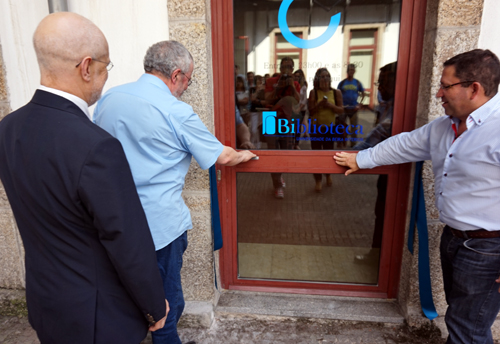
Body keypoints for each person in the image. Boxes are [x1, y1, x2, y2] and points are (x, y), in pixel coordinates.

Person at [0, 13, 168, 344]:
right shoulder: (97, 146)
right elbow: (126, 241)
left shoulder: (7, 129)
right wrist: (154, 307)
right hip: (98, 317)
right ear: (86, 67)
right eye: (107, 68)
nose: (105, 78)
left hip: (45, 302)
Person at [94, 40, 256, 344]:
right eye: (188, 80)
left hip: (114, 222)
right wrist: (248, 154)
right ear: (176, 74)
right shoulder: (175, 111)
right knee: (166, 308)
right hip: (159, 227)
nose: (185, 87)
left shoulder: (109, 99)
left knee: (132, 298)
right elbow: (223, 156)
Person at [335, 49, 500, 344]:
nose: (438, 93)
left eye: (445, 86)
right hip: (454, 240)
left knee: (467, 329)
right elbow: (403, 144)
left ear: (474, 88)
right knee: (464, 322)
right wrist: (361, 159)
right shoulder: (443, 127)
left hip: (489, 249)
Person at [264, 57, 301, 198]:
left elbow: (298, 102)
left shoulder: (295, 83)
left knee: (285, 153)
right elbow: (268, 99)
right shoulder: (271, 81)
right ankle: (277, 185)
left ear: (292, 69)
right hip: (270, 118)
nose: (286, 70)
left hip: (287, 120)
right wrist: (279, 87)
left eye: (289, 67)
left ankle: (279, 176)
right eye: (284, 67)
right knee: (273, 153)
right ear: (279, 68)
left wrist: (291, 86)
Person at [309, 68, 344, 192]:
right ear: (317, 79)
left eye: (327, 76)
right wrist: (319, 105)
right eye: (322, 77)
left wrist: (331, 106)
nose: (325, 79)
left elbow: (341, 110)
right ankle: (318, 180)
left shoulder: (336, 92)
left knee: (329, 154)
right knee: (316, 155)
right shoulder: (313, 92)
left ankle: (328, 174)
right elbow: (311, 111)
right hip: (316, 128)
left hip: (330, 128)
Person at [338, 64, 365, 145]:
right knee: (341, 127)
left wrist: (359, 104)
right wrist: (340, 105)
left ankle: (353, 145)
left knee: (353, 128)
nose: (351, 71)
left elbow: (363, 93)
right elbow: (337, 95)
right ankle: (341, 143)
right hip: (344, 109)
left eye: (352, 70)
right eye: (350, 70)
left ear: (354, 71)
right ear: (347, 71)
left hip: (354, 109)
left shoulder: (357, 83)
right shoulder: (342, 83)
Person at [293, 69, 309, 149]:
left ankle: (296, 143)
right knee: (292, 126)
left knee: (298, 126)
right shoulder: (293, 85)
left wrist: (299, 108)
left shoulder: (303, 86)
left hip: (301, 109)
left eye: (298, 76)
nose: (296, 78)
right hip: (293, 108)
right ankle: (291, 142)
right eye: (295, 76)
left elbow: (304, 100)